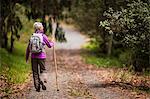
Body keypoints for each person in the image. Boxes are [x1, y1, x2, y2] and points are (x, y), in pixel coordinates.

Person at [26, 22, 54, 92]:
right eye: (42, 27)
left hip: (33, 57)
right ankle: (43, 79)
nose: (43, 28)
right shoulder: (43, 36)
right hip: (41, 56)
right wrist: (53, 42)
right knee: (43, 70)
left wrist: (27, 57)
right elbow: (49, 45)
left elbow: (28, 48)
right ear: (40, 28)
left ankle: (37, 86)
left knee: (35, 72)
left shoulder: (32, 36)